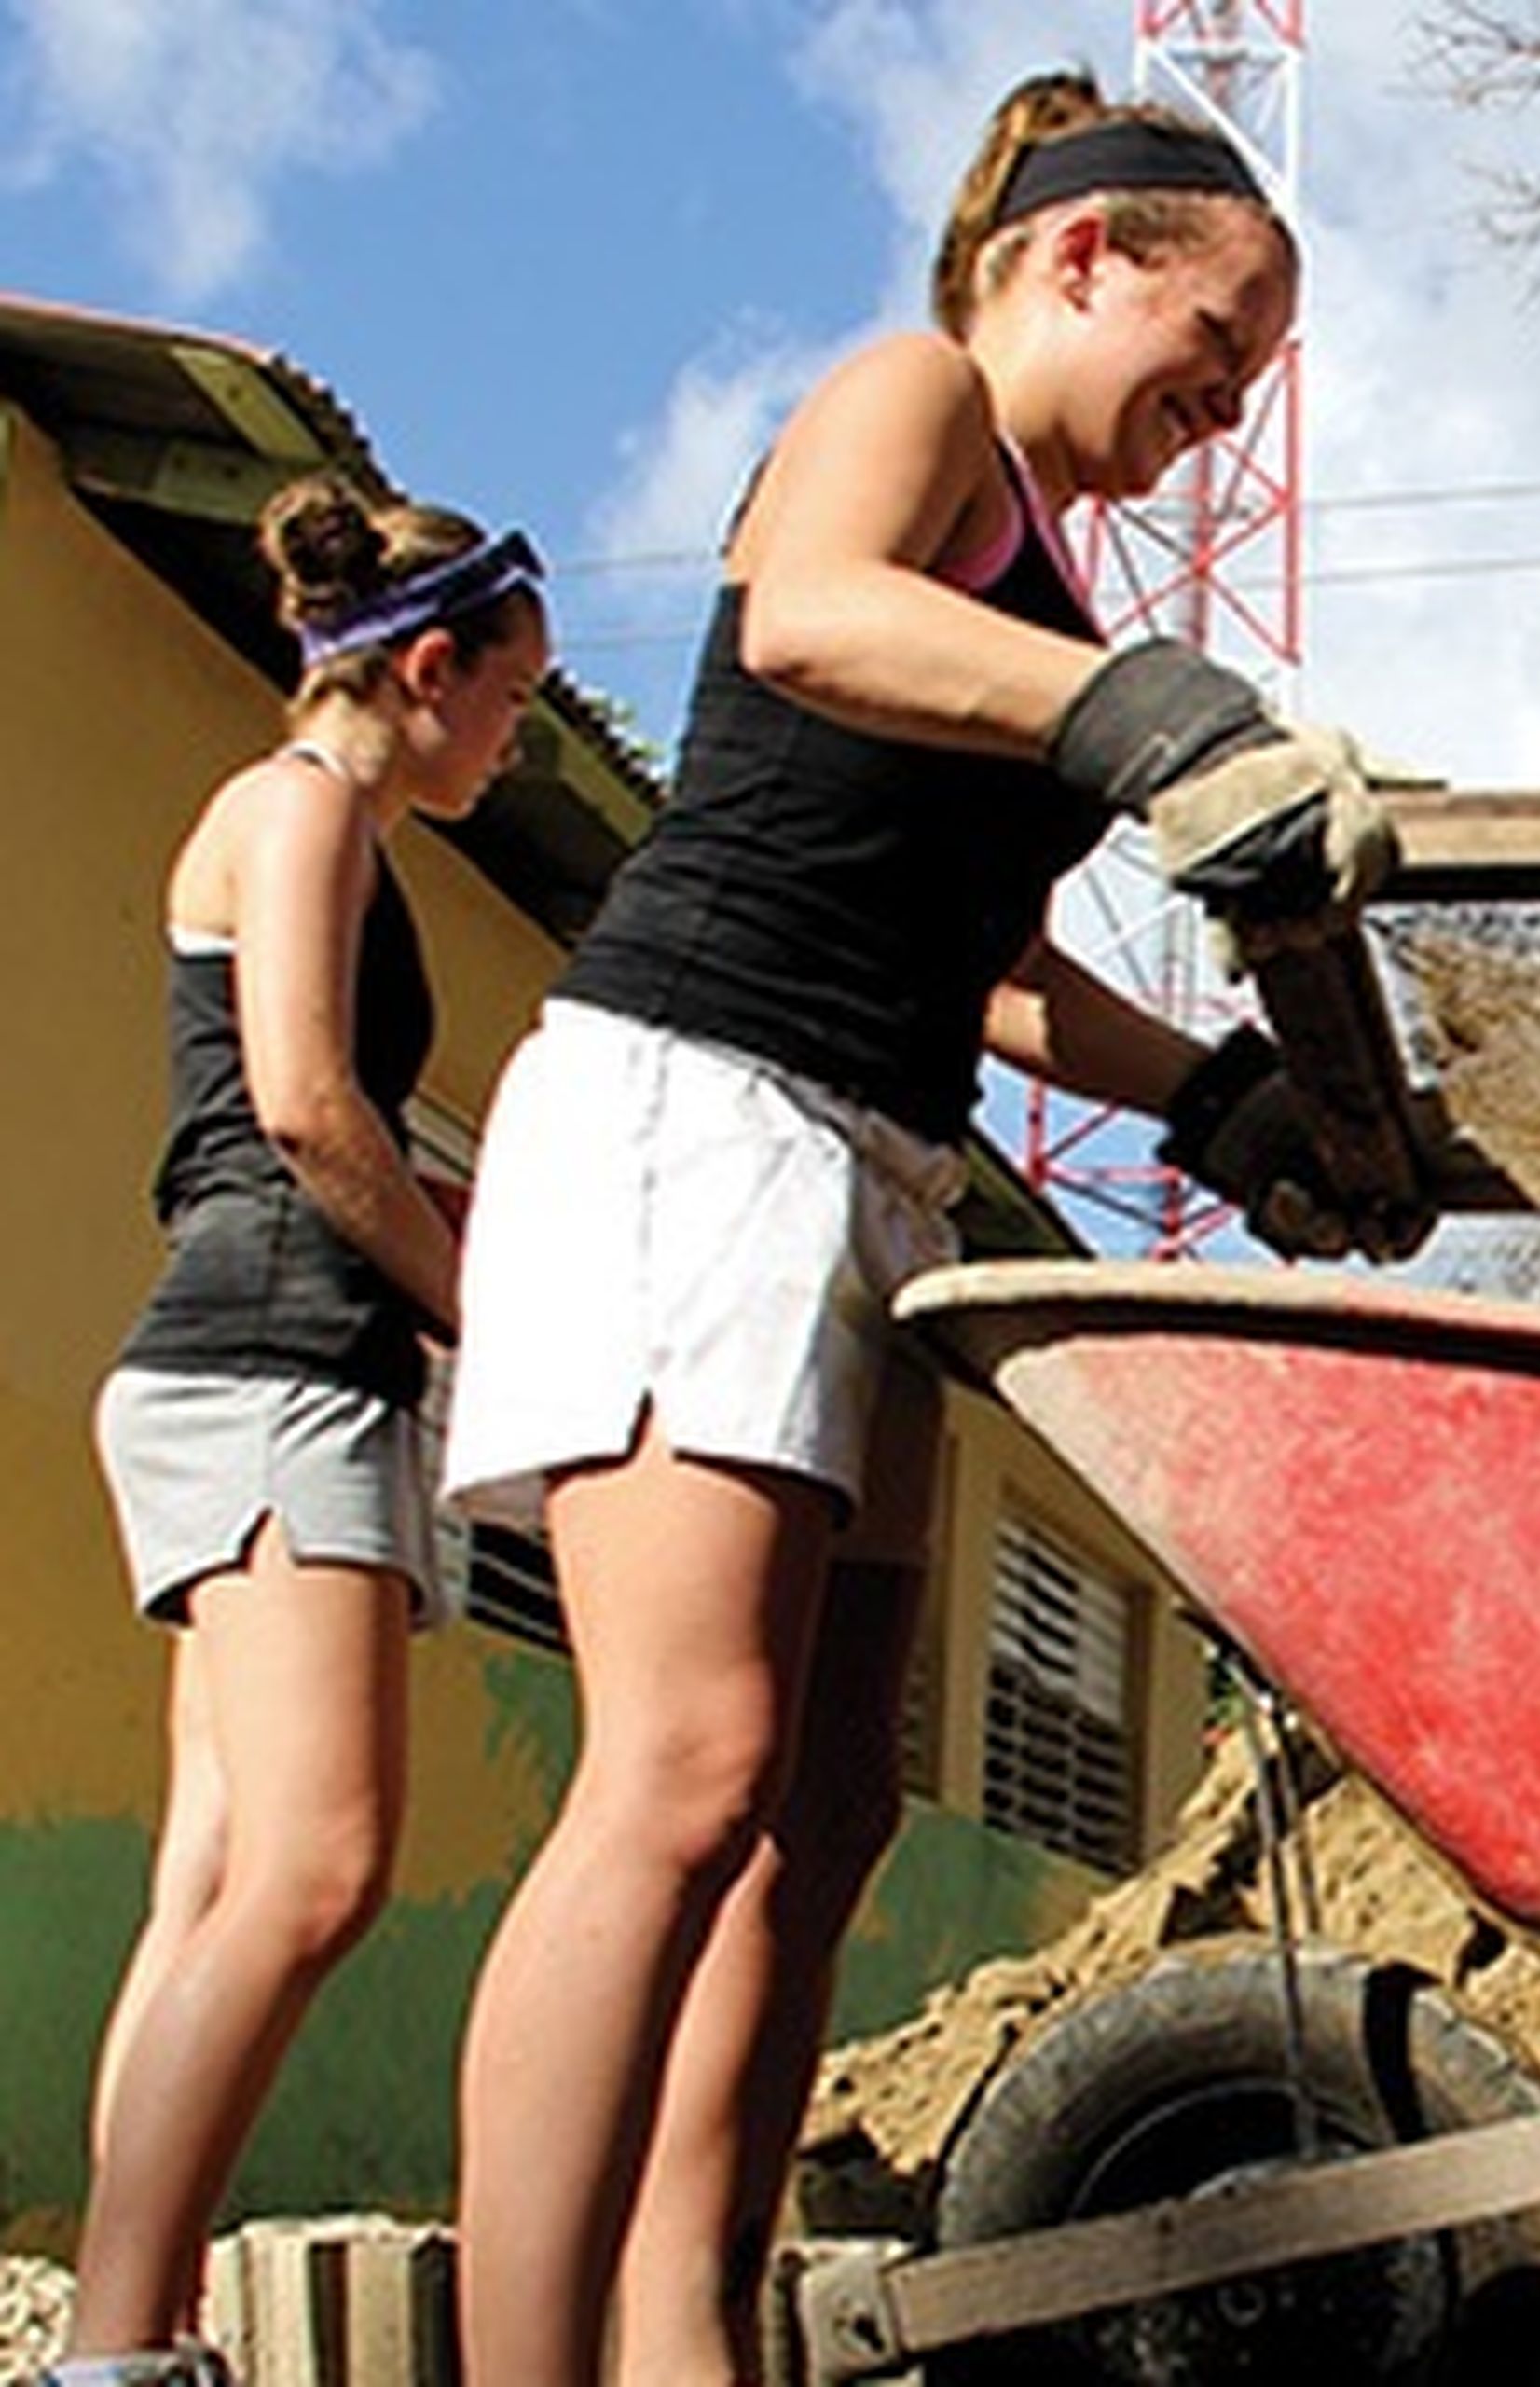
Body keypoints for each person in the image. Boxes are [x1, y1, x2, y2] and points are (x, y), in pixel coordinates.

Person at [438, 69, 1414, 2387]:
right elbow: (803, 617)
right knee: (684, 1770)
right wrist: (1149, 710)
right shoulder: (911, 400)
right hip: (703, 1105)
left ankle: (689, 2331)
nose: (1220, 406)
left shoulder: (1045, 588)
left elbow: (995, 967)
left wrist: (1224, 1098)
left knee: (835, 1802)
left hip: (871, 1158)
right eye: (1216, 343)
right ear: (1081, 255)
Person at [50, 478, 545, 2387]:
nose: (511, 742)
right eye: (510, 698)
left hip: (245, 1362)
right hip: (274, 1363)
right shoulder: (309, 809)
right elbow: (311, 1107)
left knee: (216, 1877)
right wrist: (478, 1316)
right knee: (319, 1866)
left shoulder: (322, 822)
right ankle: (115, 2343)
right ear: (429, 667)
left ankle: (133, 2324)